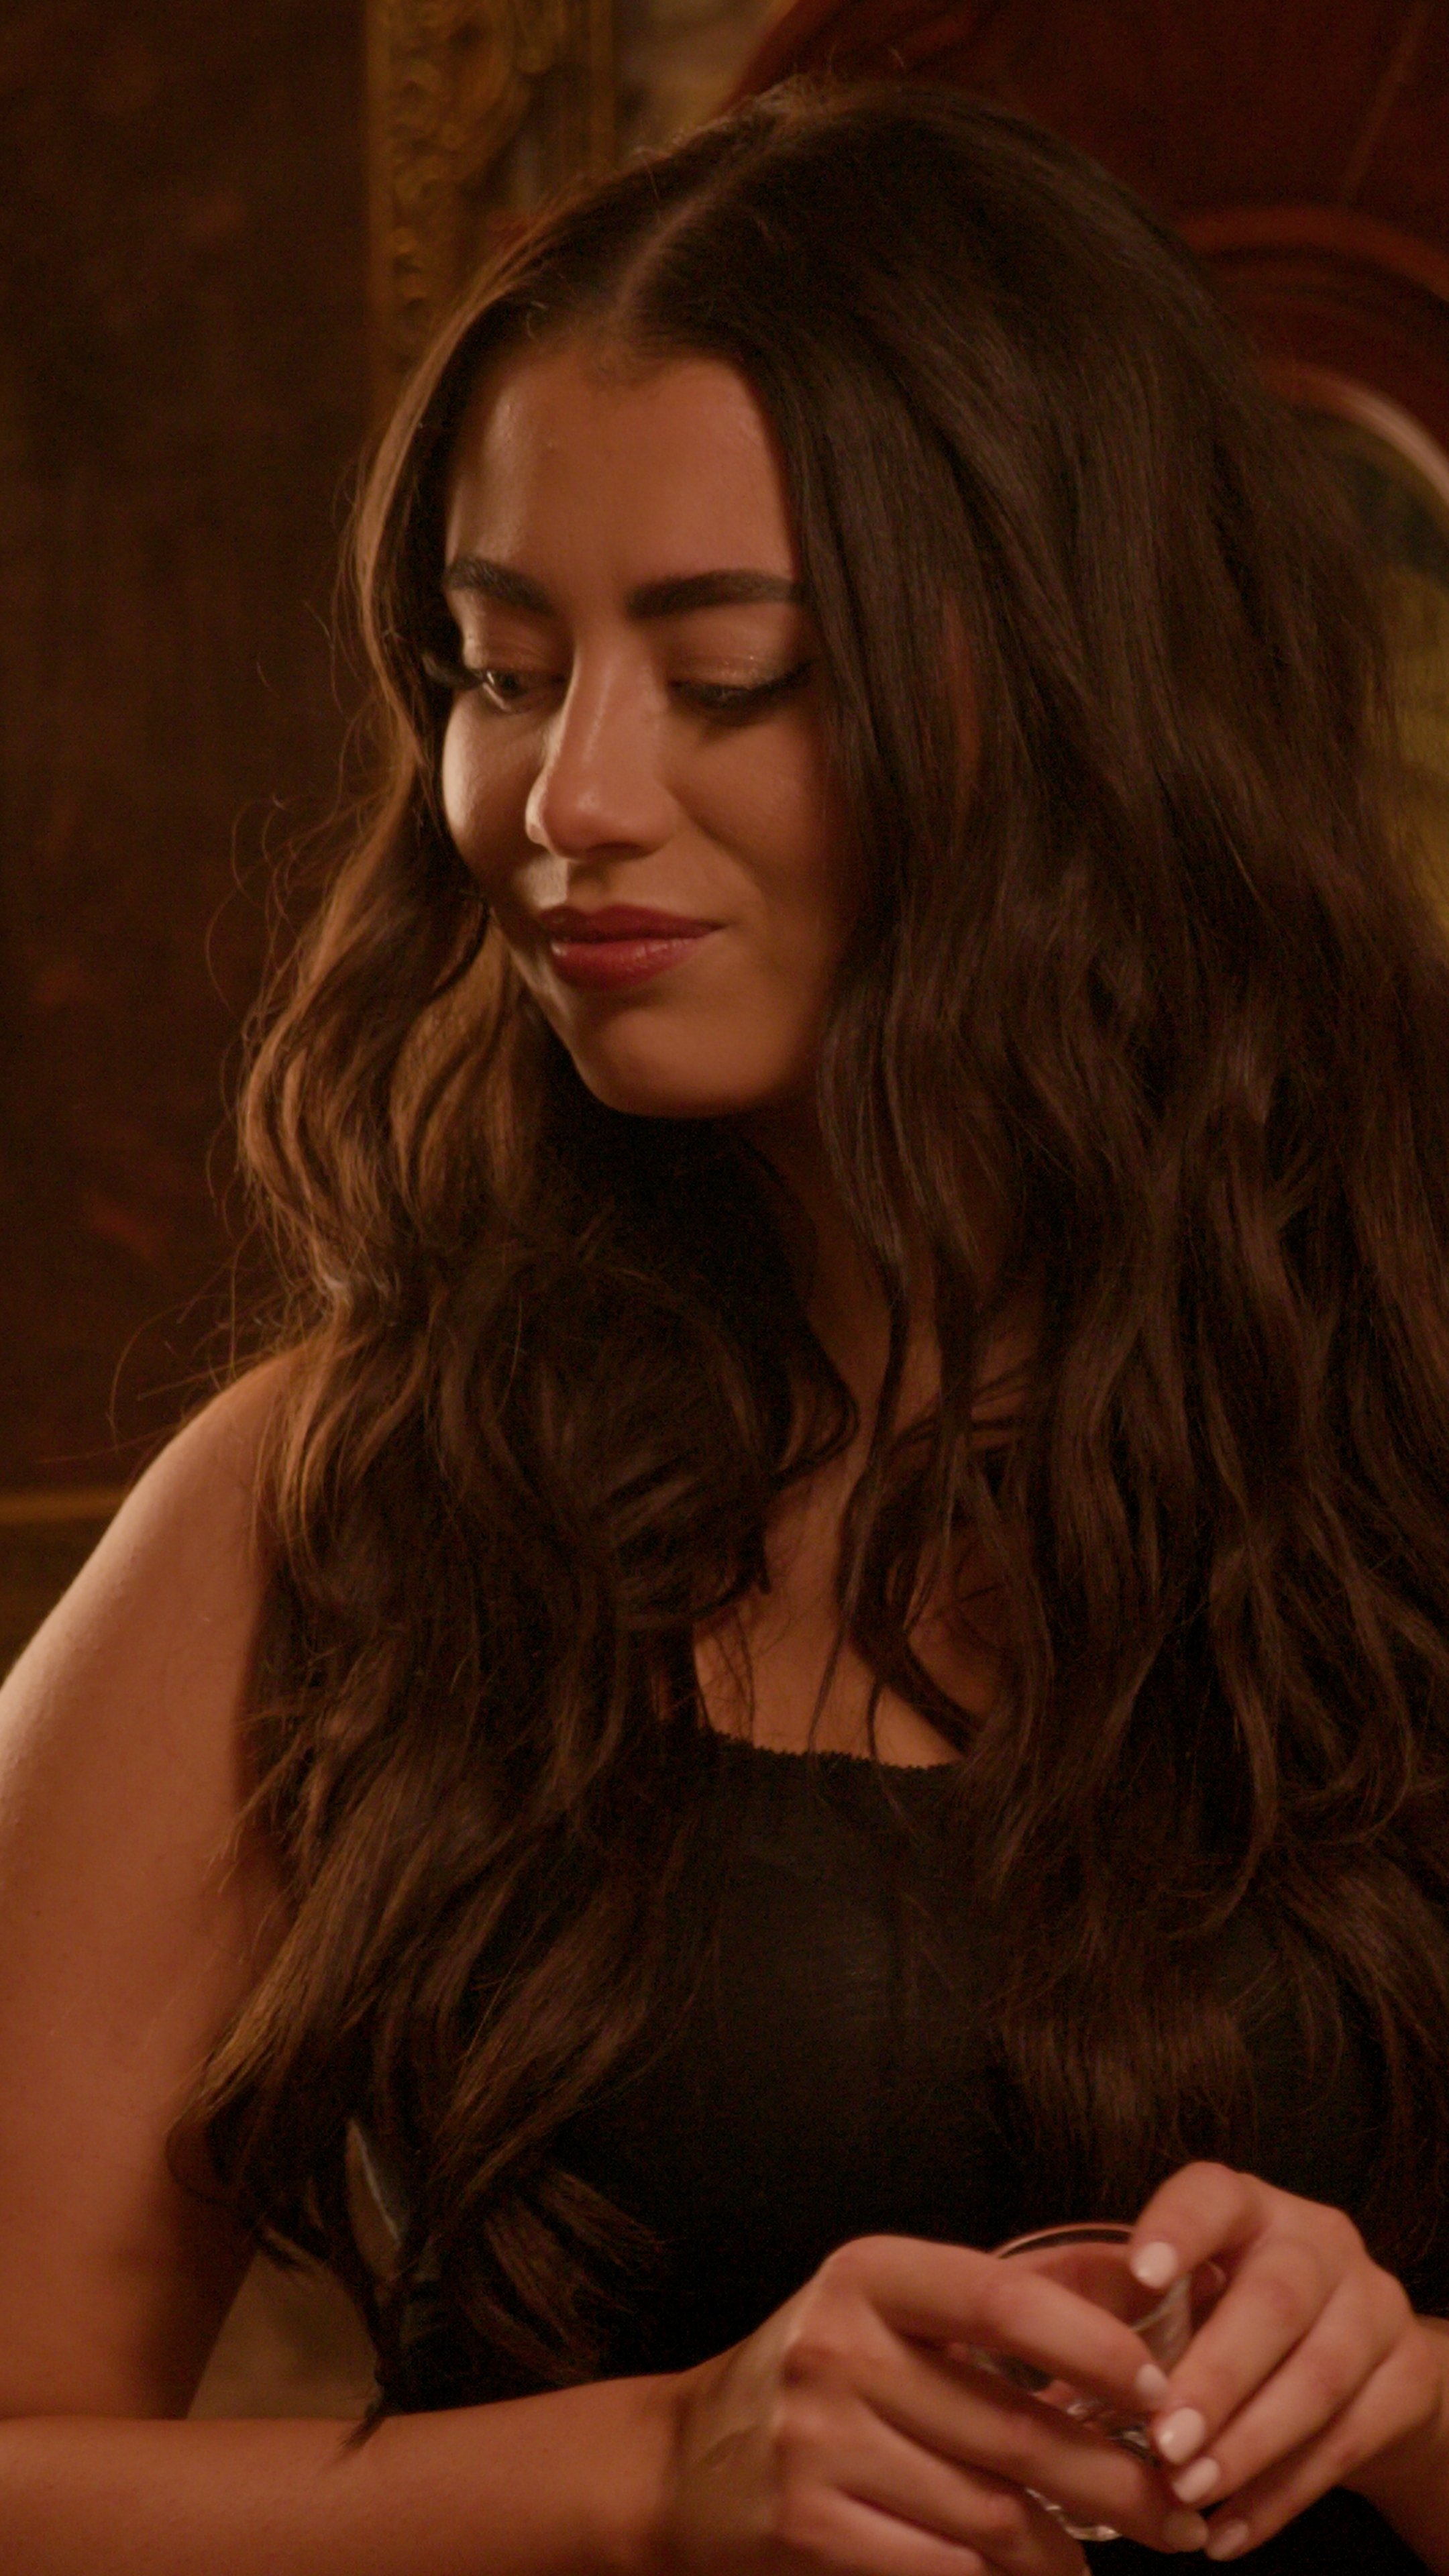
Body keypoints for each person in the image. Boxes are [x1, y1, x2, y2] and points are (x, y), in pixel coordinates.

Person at [3, 75, 1449, 2576]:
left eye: (727, 673)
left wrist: (1408, 2406)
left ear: (1075, 699)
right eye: (495, 665)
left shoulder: (1411, 1435)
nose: (560, 795)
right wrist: (635, 2476)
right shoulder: (324, 1512)